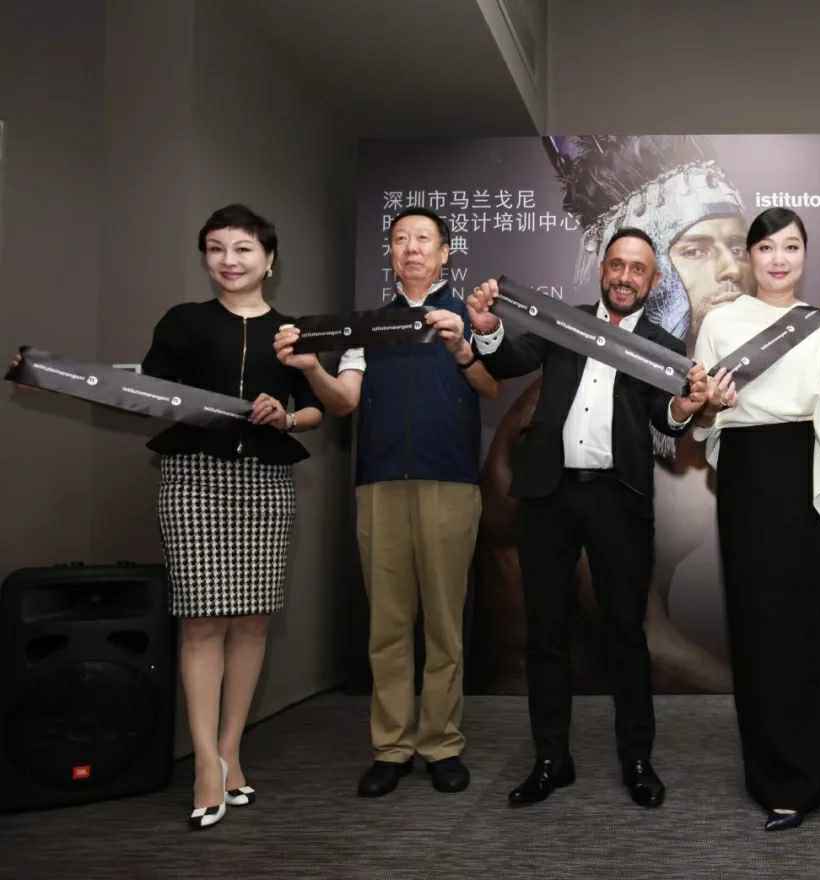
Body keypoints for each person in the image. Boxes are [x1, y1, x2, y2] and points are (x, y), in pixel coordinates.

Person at [473, 135, 753, 696]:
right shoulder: (554, 376)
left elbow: (668, 416)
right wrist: (772, 695)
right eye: (696, 249)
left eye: (737, 247)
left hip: (628, 668)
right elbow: (650, 642)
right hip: (542, 690)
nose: (730, 269)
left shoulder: (673, 374)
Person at [467, 228, 709, 808]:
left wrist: (683, 407)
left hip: (618, 501)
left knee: (626, 633)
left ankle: (638, 760)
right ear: (603, 269)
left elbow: (666, 415)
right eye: (617, 265)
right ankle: (551, 760)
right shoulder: (564, 322)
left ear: (652, 282)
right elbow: (510, 359)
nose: (625, 277)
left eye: (637, 270)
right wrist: (486, 328)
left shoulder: (659, 342)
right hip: (549, 497)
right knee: (546, 633)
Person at [273, 207, 497, 798]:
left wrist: (463, 346)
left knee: (445, 625)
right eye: (400, 239)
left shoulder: (471, 317)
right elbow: (343, 401)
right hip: (379, 484)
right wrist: (310, 369)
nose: (411, 248)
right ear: (391, 254)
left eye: (423, 239)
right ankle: (392, 747)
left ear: (445, 253)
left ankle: (442, 743)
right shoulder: (367, 327)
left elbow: (491, 385)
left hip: (450, 482)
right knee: (388, 624)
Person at [693, 207, 820, 831]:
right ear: (749, 256)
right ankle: (773, 779)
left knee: (811, 621)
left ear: (805, 255)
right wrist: (710, 405)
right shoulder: (721, 321)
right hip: (748, 472)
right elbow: (700, 415)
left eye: (791, 247)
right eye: (767, 247)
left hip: (807, 469)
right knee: (758, 622)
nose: (778, 259)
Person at [142, 204, 324, 828]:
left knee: (251, 621)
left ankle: (230, 752)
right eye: (216, 248)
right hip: (194, 479)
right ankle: (203, 763)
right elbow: (152, 394)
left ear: (269, 260)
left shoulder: (293, 333)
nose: (229, 260)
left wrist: (285, 415)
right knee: (201, 622)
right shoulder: (182, 321)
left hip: (265, 482)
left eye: (243, 248)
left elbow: (315, 410)